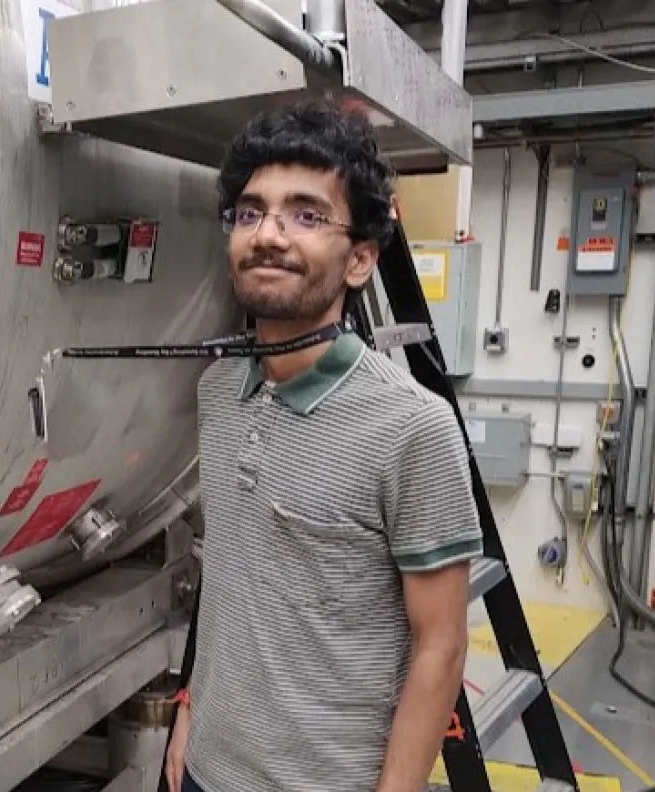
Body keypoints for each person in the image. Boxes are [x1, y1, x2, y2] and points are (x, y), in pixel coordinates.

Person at [165, 101, 483, 792]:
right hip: (206, 772)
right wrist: (192, 705)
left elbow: (441, 646)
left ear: (361, 259)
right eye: (250, 213)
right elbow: (231, 576)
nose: (268, 235)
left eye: (306, 216)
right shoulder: (217, 393)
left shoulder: (412, 429)